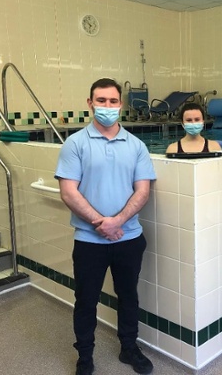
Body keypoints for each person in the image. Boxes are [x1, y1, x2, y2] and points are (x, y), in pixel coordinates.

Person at [55, 78, 157, 375]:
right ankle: (85, 356)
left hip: (129, 238)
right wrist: (101, 223)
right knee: (86, 300)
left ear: (121, 105)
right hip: (90, 241)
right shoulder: (75, 144)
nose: (107, 107)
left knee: (129, 296)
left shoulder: (136, 145)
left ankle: (129, 348)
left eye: (113, 101)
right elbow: (68, 192)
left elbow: (143, 191)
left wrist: (117, 222)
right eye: (101, 101)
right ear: (90, 103)